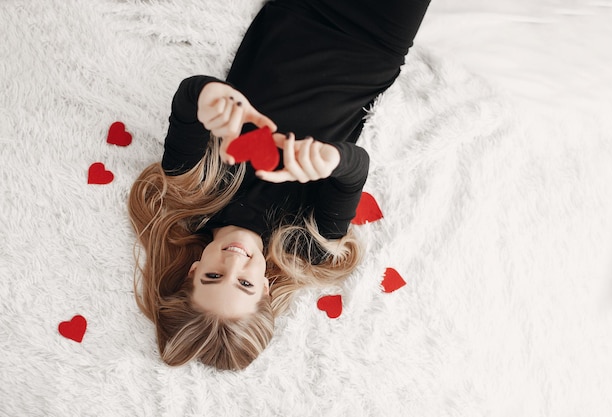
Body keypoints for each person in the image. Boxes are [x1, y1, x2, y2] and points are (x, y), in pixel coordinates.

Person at [128, 0, 430, 370]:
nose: (234, 261)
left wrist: (209, 98)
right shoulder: (307, 244)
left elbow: (189, 98)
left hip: (296, 12)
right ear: (266, 290)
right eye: (244, 284)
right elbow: (356, 169)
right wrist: (331, 159)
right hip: (374, 41)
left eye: (214, 276)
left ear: (193, 270)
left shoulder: (189, 189)